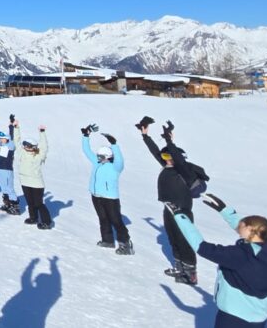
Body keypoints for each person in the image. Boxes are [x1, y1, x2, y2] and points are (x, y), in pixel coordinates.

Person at [168, 194, 267, 327]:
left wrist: (180, 216)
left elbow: (202, 247)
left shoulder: (239, 255)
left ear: (250, 230)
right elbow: (248, 227)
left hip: (235, 317)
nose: (238, 227)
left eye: (242, 225)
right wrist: (224, 210)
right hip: (259, 317)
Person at [139, 117, 206, 284]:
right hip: (168, 209)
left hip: (182, 211)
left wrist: (169, 140)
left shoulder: (185, 172)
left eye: (168, 155)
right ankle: (179, 267)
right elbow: (155, 151)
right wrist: (145, 136)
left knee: (184, 239)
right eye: (164, 155)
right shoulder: (167, 166)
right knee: (172, 238)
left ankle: (190, 272)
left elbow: (178, 159)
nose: (165, 158)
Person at [81, 124, 132, 255]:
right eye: (98, 156)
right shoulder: (96, 162)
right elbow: (86, 151)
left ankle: (125, 243)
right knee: (102, 218)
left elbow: (120, 159)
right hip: (96, 195)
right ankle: (108, 240)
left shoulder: (116, 167)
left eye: (101, 157)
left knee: (116, 220)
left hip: (110, 198)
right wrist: (86, 136)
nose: (98, 158)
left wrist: (114, 144)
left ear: (108, 157)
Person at [13, 119, 52, 229]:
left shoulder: (39, 156)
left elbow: (44, 147)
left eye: (28, 145)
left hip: (36, 183)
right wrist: (16, 128)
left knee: (38, 203)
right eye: (25, 145)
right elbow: (16, 141)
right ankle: (33, 218)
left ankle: (47, 222)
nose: (25, 147)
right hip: (25, 181)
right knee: (30, 202)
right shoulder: (22, 153)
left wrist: (42, 132)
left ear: (33, 147)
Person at [0, 115, 20, 215]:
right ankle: (7, 204)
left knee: (9, 187)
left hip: (7, 169)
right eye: (1, 138)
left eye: (3, 138)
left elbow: (11, 137)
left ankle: (15, 207)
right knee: (3, 187)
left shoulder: (10, 147)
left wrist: (11, 126)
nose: (1, 139)